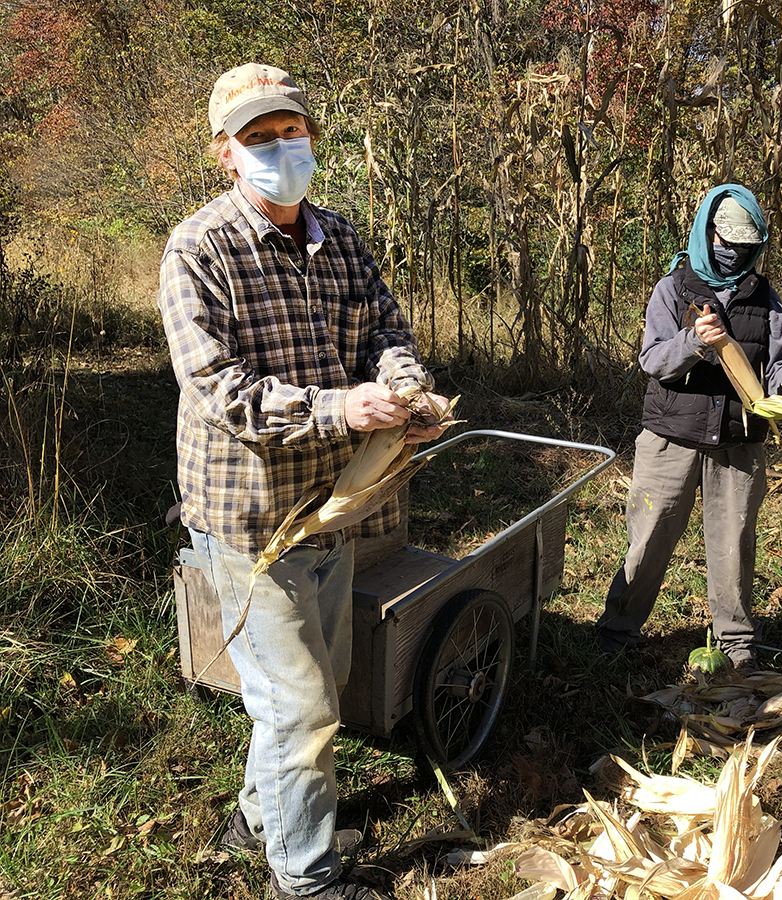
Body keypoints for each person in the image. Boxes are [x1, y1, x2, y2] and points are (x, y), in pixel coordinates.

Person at [158, 63, 448, 900]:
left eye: (290, 131)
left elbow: (387, 329)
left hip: (337, 504)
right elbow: (218, 390)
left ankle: (260, 817)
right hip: (251, 516)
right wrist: (340, 409)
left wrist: (403, 390)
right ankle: (305, 879)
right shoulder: (198, 249)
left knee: (310, 685)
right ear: (225, 153)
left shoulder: (340, 238)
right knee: (300, 704)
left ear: (311, 135)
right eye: (258, 138)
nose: (280, 148)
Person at [595, 184, 782, 670]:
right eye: (724, 241)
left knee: (733, 545)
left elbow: (778, 367)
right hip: (670, 438)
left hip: (738, 443)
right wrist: (693, 342)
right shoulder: (673, 288)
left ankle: (736, 643)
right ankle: (615, 632)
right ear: (706, 232)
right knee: (648, 538)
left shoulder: (764, 298)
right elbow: (652, 360)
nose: (732, 253)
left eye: (744, 246)